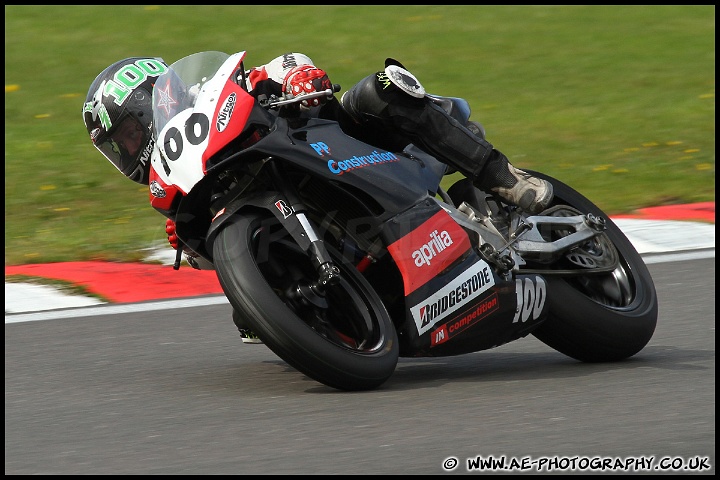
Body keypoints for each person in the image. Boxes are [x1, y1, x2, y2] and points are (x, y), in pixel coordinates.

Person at [82, 52, 553, 343]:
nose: (127, 150)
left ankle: (500, 175)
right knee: (245, 321)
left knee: (379, 90)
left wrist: (299, 76)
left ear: (149, 103)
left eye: (126, 133)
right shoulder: (181, 185)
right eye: (117, 148)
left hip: (337, 143)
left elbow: (283, 62)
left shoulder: (209, 94)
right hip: (329, 226)